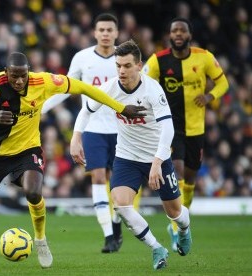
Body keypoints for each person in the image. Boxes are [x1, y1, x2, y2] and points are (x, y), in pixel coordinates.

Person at [0, 52, 146, 270]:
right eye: (14, 76)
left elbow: (84, 87)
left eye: (23, 75)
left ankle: (40, 241)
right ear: (6, 73)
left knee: (33, 192)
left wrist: (121, 107)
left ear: (29, 72)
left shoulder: (44, 81)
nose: (19, 81)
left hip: (28, 150)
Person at [71, 40, 192, 270]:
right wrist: (76, 138)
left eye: (127, 66)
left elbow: (168, 129)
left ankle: (184, 230)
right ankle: (157, 248)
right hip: (126, 157)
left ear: (139, 65)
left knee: (175, 213)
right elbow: (86, 110)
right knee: (121, 204)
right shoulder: (110, 88)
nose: (121, 71)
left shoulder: (152, 89)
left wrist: (157, 162)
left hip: (157, 156)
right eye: (118, 66)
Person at [42, 13, 141, 253]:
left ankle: (117, 224)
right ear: (95, 33)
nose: (106, 34)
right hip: (93, 128)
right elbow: (66, 88)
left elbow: (139, 88)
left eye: (110, 30)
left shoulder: (125, 59)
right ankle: (108, 235)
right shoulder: (82, 58)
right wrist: (41, 108)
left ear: (117, 33)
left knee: (120, 186)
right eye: (102, 30)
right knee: (98, 177)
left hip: (122, 130)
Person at [143, 17, 228, 251]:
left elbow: (223, 84)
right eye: (174, 30)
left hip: (196, 128)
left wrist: (210, 96)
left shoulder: (205, 57)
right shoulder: (158, 61)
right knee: (178, 173)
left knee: (190, 178)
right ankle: (175, 225)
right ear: (169, 36)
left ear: (189, 35)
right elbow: (143, 85)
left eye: (182, 30)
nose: (178, 33)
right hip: (170, 127)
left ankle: (182, 222)